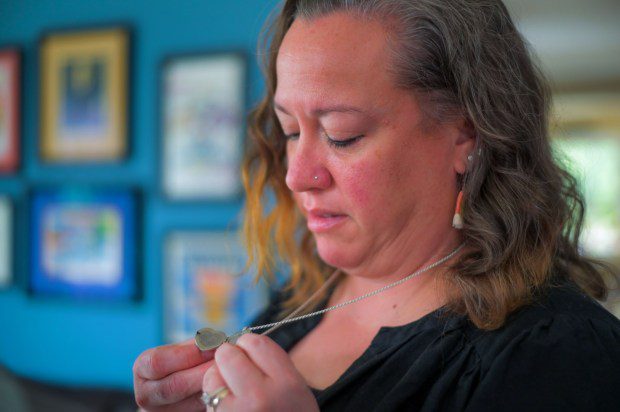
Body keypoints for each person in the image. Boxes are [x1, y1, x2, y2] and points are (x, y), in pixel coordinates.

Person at [133, 0, 620, 410]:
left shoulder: (561, 353)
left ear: (467, 134)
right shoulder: (302, 295)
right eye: (290, 131)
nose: (296, 175)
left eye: (342, 136)